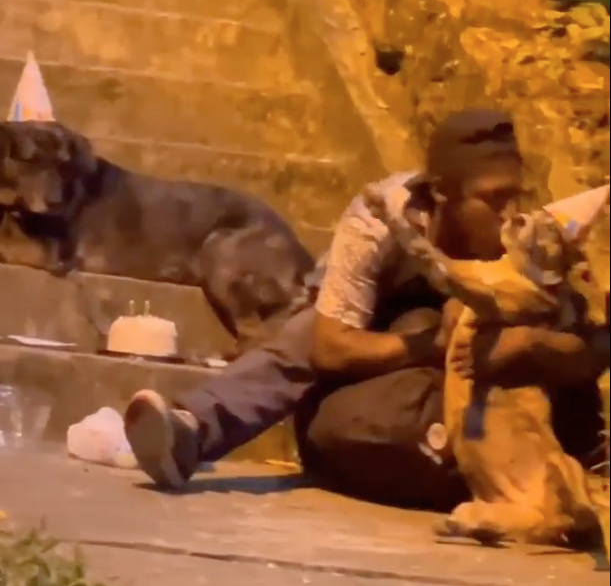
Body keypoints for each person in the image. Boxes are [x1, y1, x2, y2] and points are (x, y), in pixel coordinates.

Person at [123, 109, 609, 513]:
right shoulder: (382, 218)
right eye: (492, 200)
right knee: (307, 332)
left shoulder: (524, 237)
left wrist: (529, 343)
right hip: (394, 340)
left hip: (471, 387)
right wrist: (431, 345)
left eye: (516, 196)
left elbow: (586, 348)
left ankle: (478, 461)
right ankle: (194, 428)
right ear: (440, 193)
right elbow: (332, 347)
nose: (508, 214)